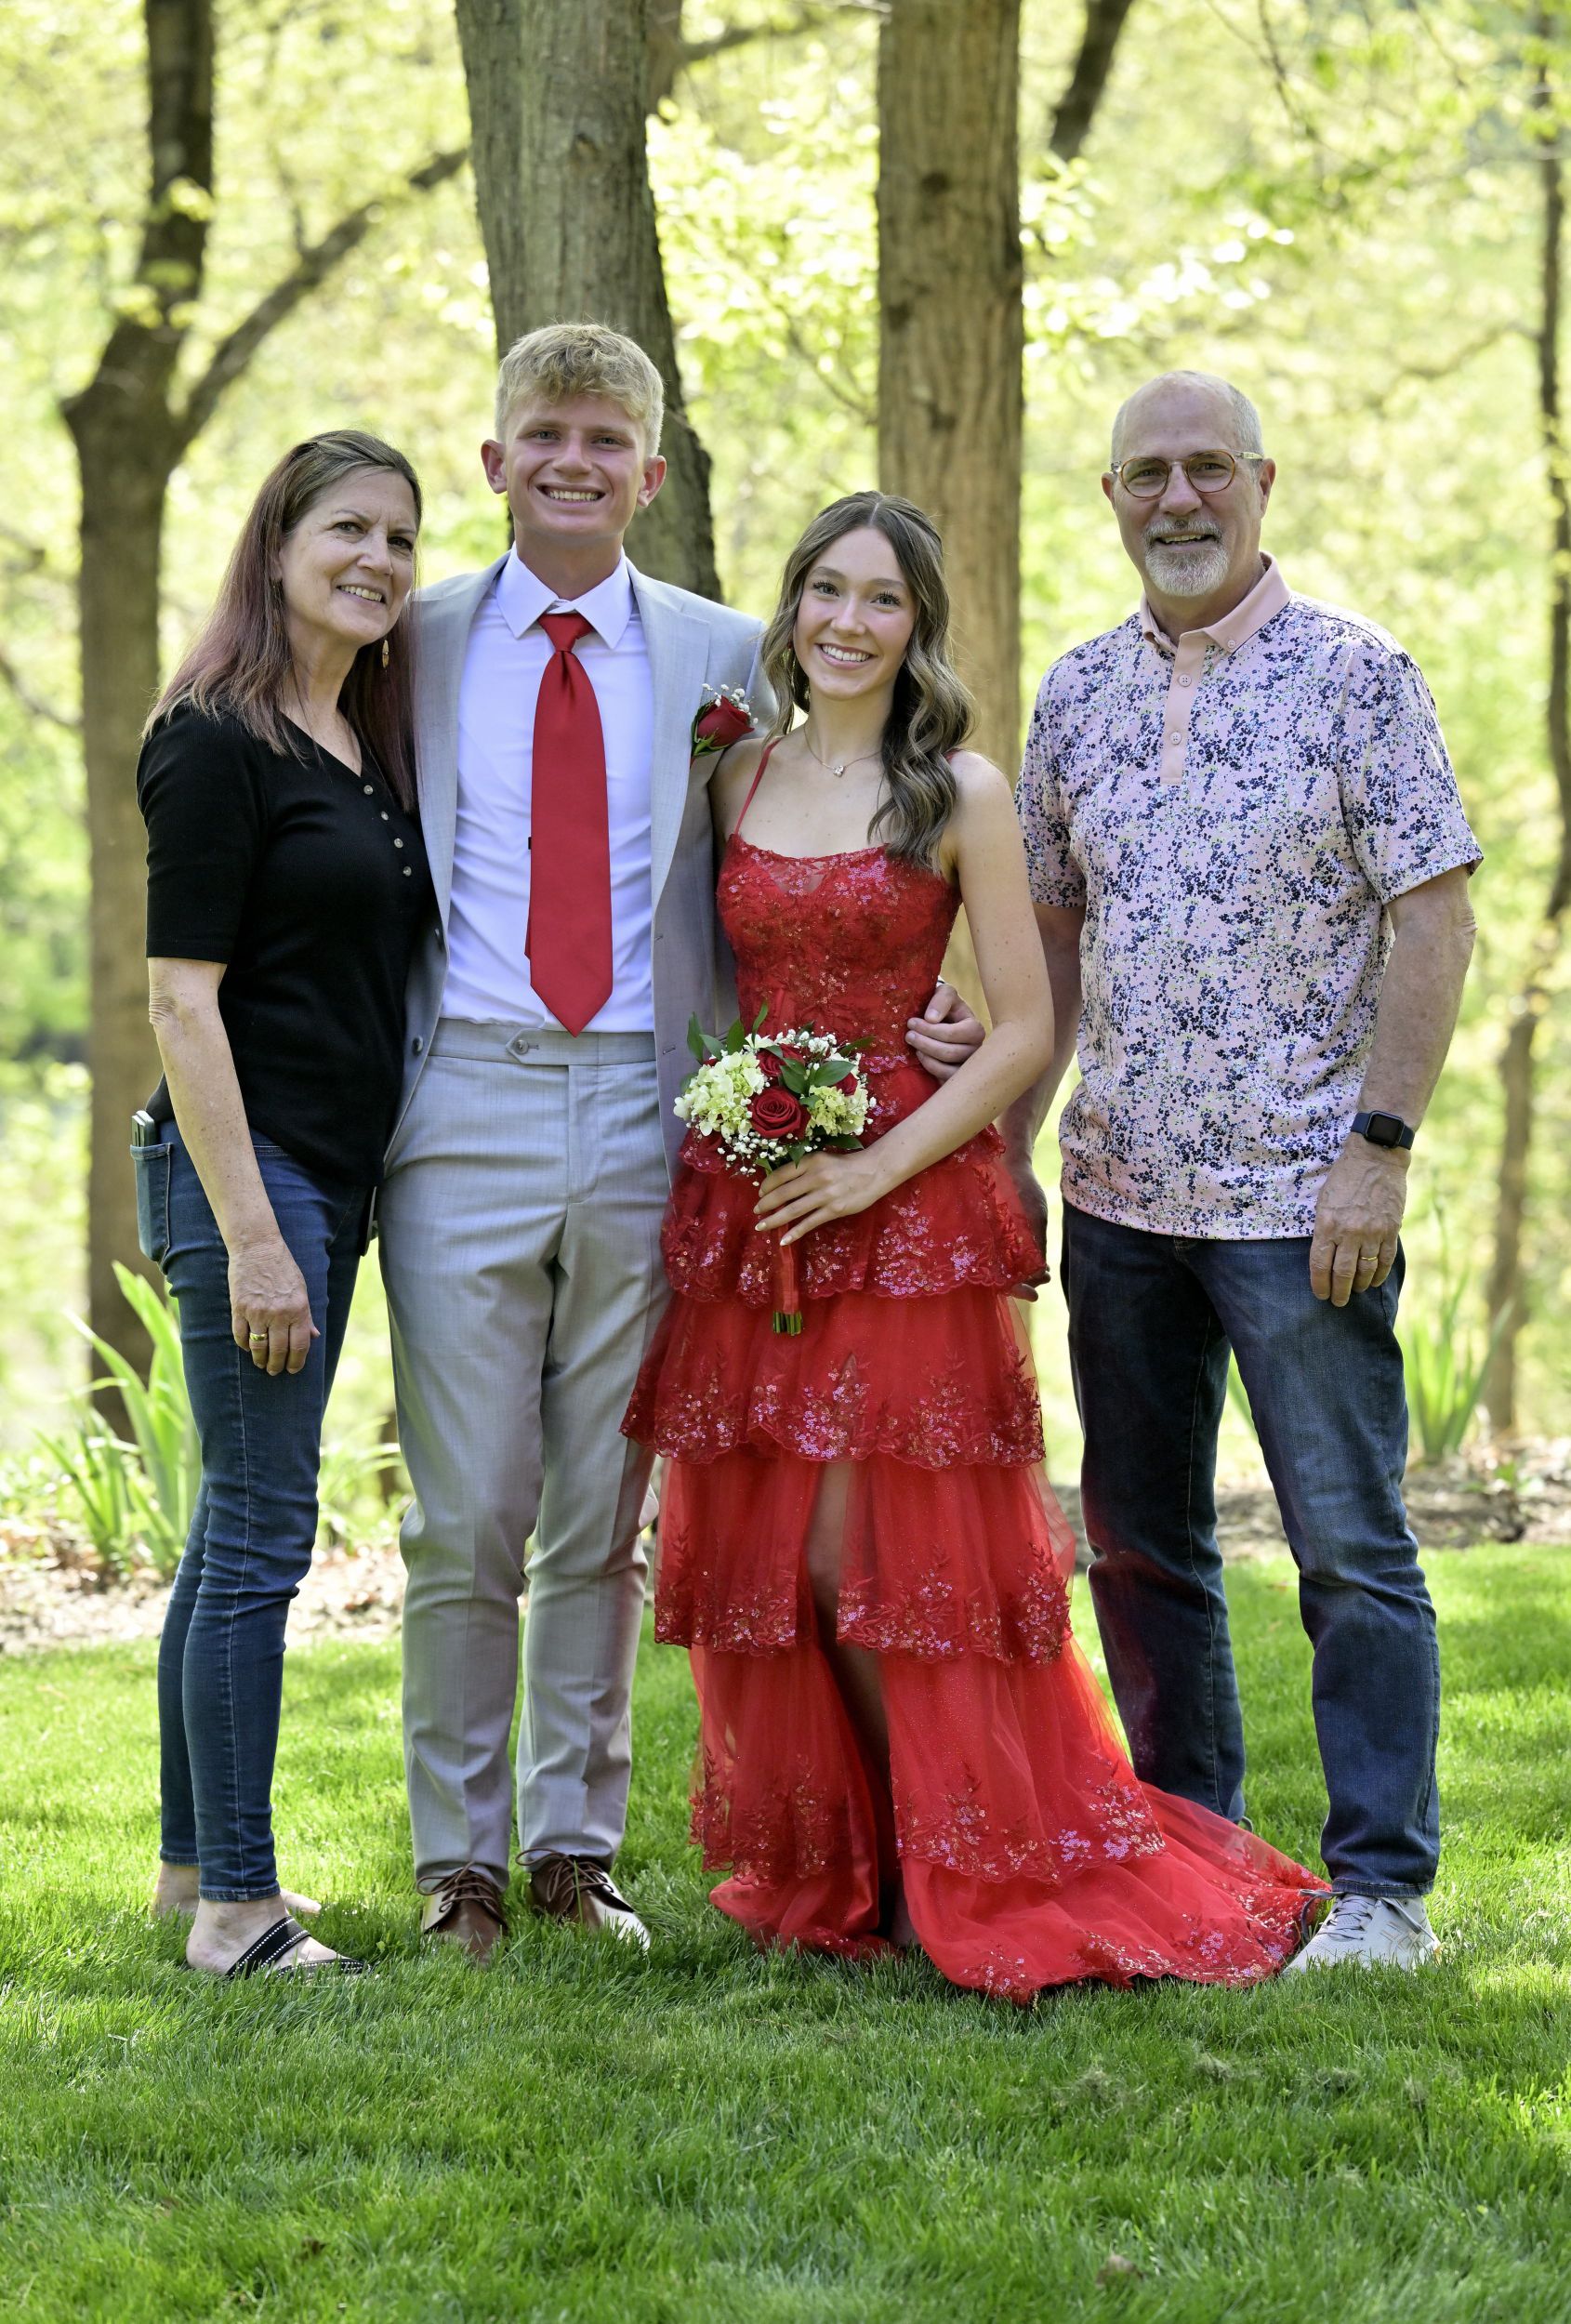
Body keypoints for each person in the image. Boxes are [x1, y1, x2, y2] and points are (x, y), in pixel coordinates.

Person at [622, 490, 1327, 2000]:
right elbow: (709, 977)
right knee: (780, 1561)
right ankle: (867, 1860)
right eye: (827, 591)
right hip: (761, 1193)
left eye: (881, 599)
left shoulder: (959, 790)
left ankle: (967, 1858)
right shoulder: (734, 774)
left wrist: (872, 1167)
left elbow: (1016, 1030)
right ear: (791, 607)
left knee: (880, 1561)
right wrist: (753, 1118)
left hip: (906, 1207)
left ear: (916, 627)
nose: (849, 622)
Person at [379, 324, 981, 1963]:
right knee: (465, 1514)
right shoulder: (411, 643)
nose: (572, 462)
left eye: (605, 440)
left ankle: (573, 1851)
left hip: (658, 1108)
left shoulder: (726, 656)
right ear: (495, 461)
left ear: (650, 473)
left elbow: (841, 835)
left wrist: (931, 1003)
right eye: (544, 434)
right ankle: (457, 1862)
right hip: (466, 1097)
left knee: (599, 1508)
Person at [1007, 371, 1481, 1972]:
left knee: (1347, 1550)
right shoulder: (1074, 694)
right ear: (1110, 498)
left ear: (1261, 482)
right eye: (1146, 473)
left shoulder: (1357, 677)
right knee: (1142, 1551)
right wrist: (1010, 1150)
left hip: (1300, 1202)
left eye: (1206, 467)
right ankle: (1190, 1858)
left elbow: (1434, 917)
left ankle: (1381, 1891)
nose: (1177, 499)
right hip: (1118, 1199)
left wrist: (1377, 1152)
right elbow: (1050, 947)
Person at [136, 430, 432, 1976]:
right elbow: (181, 1000)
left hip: (327, 1178)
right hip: (250, 1177)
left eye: (400, 537)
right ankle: (242, 1913)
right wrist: (256, 1235)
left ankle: (191, 1872)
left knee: (224, 1533)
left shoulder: (361, 739)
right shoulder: (213, 736)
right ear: (277, 543)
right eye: (347, 529)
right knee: (261, 1537)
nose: (376, 559)